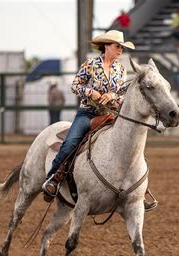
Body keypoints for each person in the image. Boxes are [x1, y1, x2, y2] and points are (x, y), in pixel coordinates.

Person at [42, 30, 133, 198]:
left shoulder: (121, 70)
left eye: (122, 47)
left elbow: (122, 94)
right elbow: (75, 85)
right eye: (117, 46)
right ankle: (52, 179)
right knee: (70, 143)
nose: (121, 50)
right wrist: (90, 92)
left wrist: (112, 96)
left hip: (111, 114)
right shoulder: (90, 64)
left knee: (130, 143)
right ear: (107, 47)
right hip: (87, 113)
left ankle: (134, 187)